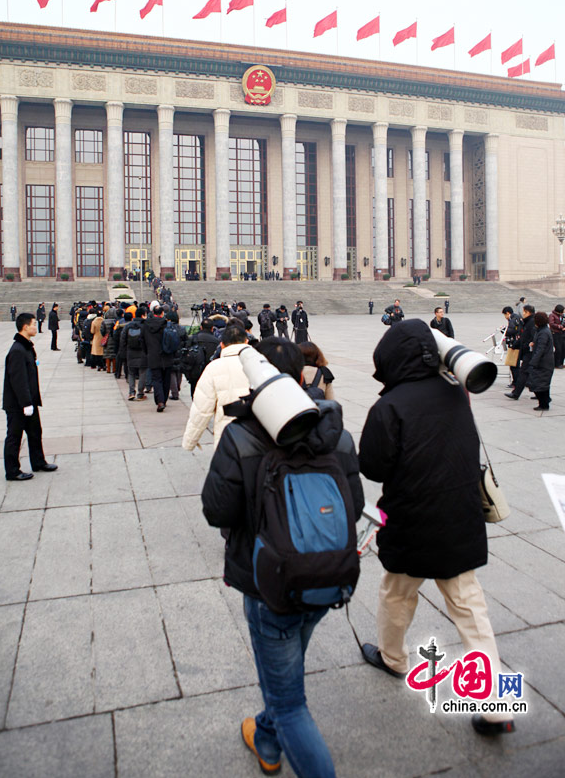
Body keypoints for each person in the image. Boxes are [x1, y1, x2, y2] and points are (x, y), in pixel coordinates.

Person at [201, 337, 364, 777]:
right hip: (326, 575)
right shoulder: (338, 433)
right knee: (285, 676)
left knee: (290, 703)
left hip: (267, 585)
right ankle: (267, 740)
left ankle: (281, 737)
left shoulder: (240, 436)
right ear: (299, 377)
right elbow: (356, 500)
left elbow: (216, 509)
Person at [358, 319, 514, 737]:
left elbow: (372, 466)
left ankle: (393, 658)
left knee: (397, 593)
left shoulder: (390, 405)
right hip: (459, 517)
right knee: (469, 607)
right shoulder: (456, 393)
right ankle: (495, 704)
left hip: (411, 520)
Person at [2, 312, 58, 481]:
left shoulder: (26, 346)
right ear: (25, 327)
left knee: (35, 432)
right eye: (34, 324)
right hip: (19, 404)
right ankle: (12, 470)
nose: (36, 326)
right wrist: (26, 403)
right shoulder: (18, 350)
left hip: (29, 401)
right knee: (14, 436)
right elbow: (18, 380)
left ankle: (38, 461)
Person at [182, 323, 250, 450]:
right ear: (246, 341)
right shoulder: (262, 363)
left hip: (227, 437)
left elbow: (201, 410)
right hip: (259, 438)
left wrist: (190, 441)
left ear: (222, 345)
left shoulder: (214, 368)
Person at [505, 304, 536, 401]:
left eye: (524, 312)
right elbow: (523, 336)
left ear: (528, 312)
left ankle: (516, 393)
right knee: (530, 373)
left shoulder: (531, 322)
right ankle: (539, 392)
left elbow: (531, 337)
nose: (522, 314)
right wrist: (516, 344)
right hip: (527, 351)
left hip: (530, 352)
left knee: (524, 372)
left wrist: (527, 345)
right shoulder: (527, 322)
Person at [120, 305, 149, 401]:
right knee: (142, 373)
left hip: (130, 352)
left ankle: (131, 392)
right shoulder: (145, 325)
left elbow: (123, 339)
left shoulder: (128, 326)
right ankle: (140, 393)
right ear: (142, 315)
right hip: (143, 353)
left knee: (131, 373)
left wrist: (123, 351)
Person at [528, 311, 555, 411]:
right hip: (544, 362)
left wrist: (533, 362)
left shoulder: (543, 332)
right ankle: (545, 401)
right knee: (543, 384)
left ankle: (544, 404)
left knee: (540, 384)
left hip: (543, 363)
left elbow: (541, 349)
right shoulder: (541, 330)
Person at [502, 306, 522, 387]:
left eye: (505, 315)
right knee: (515, 364)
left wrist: (503, 330)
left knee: (513, 365)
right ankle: (517, 381)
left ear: (507, 313)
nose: (505, 317)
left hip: (514, 344)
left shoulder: (513, 320)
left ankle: (516, 382)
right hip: (516, 343)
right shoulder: (516, 318)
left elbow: (511, 331)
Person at [548, 303, 565, 369]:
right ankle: (556, 363)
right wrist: (560, 327)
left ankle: (561, 362)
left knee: (563, 348)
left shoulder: (562, 316)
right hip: (555, 333)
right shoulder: (552, 315)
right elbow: (551, 323)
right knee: (558, 349)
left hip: (562, 333)